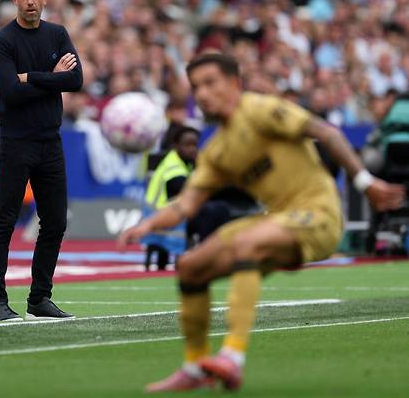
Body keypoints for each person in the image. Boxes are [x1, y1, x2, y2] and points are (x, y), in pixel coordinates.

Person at [118, 53, 405, 392]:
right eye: (197, 87)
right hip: (279, 220)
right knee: (191, 266)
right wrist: (148, 225)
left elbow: (327, 133)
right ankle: (195, 366)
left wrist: (364, 182)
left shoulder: (261, 110)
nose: (204, 94)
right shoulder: (217, 151)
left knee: (247, 242)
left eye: (211, 83)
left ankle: (232, 357)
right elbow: (186, 205)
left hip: (319, 214)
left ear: (234, 83)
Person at [0, 0, 83, 321]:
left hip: (50, 141)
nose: (30, 1)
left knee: (55, 222)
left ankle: (39, 297)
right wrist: (51, 76)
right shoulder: (2, 41)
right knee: (5, 220)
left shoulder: (57, 34)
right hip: (16, 141)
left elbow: (76, 79)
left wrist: (33, 77)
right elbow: (10, 92)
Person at [143, 126, 200, 271]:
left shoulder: (180, 162)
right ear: (175, 146)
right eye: (187, 145)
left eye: (195, 145)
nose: (192, 149)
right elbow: (186, 197)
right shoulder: (175, 170)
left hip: (159, 215)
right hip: (160, 216)